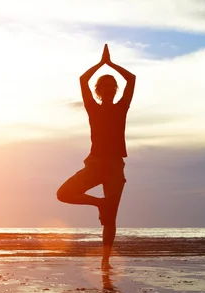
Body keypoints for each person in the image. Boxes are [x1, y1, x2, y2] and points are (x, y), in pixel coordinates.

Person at [56, 44, 135, 269]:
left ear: (116, 90)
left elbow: (132, 79)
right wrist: (101, 65)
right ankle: (99, 203)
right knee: (63, 193)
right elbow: (83, 80)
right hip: (95, 164)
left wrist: (110, 65)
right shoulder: (93, 107)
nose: (109, 88)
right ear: (99, 91)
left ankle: (105, 262)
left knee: (111, 218)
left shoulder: (122, 107)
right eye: (105, 85)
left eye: (112, 86)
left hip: (114, 167)